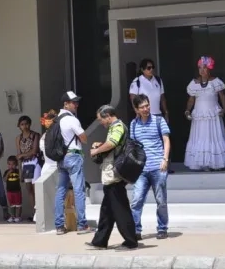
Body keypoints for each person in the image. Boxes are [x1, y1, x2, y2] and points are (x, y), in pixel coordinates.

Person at [87, 105, 138, 250]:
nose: (101, 123)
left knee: (121, 210)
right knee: (106, 211)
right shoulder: (115, 127)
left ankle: (130, 241)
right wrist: (101, 145)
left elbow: (112, 143)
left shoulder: (118, 126)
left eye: (100, 120)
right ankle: (100, 241)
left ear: (108, 116)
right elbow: (114, 145)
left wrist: (96, 150)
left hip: (115, 174)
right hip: (111, 173)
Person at [129, 95, 171, 240]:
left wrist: (165, 159)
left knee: (160, 200)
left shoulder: (159, 121)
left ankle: (162, 228)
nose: (146, 109)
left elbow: (166, 141)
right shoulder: (133, 124)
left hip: (158, 167)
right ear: (136, 109)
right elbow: (133, 146)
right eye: (142, 107)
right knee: (136, 200)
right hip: (141, 170)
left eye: (147, 105)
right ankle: (135, 230)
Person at [184, 56, 225, 171]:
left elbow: (222, 96)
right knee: (201, 137)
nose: (202, 70)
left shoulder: (216, 82)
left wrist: (224, 108)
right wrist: (187, 110)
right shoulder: (194, 83)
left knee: (213, 137)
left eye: (204, 68)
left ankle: (215, 163)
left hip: (212, 113)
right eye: (200, 68)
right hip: (199, 114)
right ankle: (203, 164)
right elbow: (191, 99)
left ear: (209, 68)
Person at [53, 91, 91, 235]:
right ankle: (82, 225)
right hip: (74, 156)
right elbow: (84, 138)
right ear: (66, 104)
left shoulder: (57, 120)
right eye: (73, 102)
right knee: (79, 190)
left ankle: (59, 226)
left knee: (61, 190)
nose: (76, 104)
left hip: (61, 158)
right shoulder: (71, 119)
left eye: (76, 102)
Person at [15, 115, 41, 222]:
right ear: (19, 126)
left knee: (36, 188)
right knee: (29, 189)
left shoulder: (35, 135)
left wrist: (22, 155)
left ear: (29, 124)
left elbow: (34, 151)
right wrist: (20, 171)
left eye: (26, 124)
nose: (24, 126)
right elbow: (18, 155)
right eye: (22, 124)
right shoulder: (18, 138)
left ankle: (39, 211)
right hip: (25, 164)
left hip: (34, 162)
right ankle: (35, 212)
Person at [4, 156, 23, 223]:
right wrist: (8, 173)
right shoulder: (6, 172)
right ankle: (13, 216)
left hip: (17, 191)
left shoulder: (17, 171)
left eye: (13, 164)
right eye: (9, 164)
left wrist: (20, 169)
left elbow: (21, 179)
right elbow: (5, 180)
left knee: (18, 204)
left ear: (16, 165)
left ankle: (18, 216)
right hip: (9, 191)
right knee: (11, 205)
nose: (11, 166)